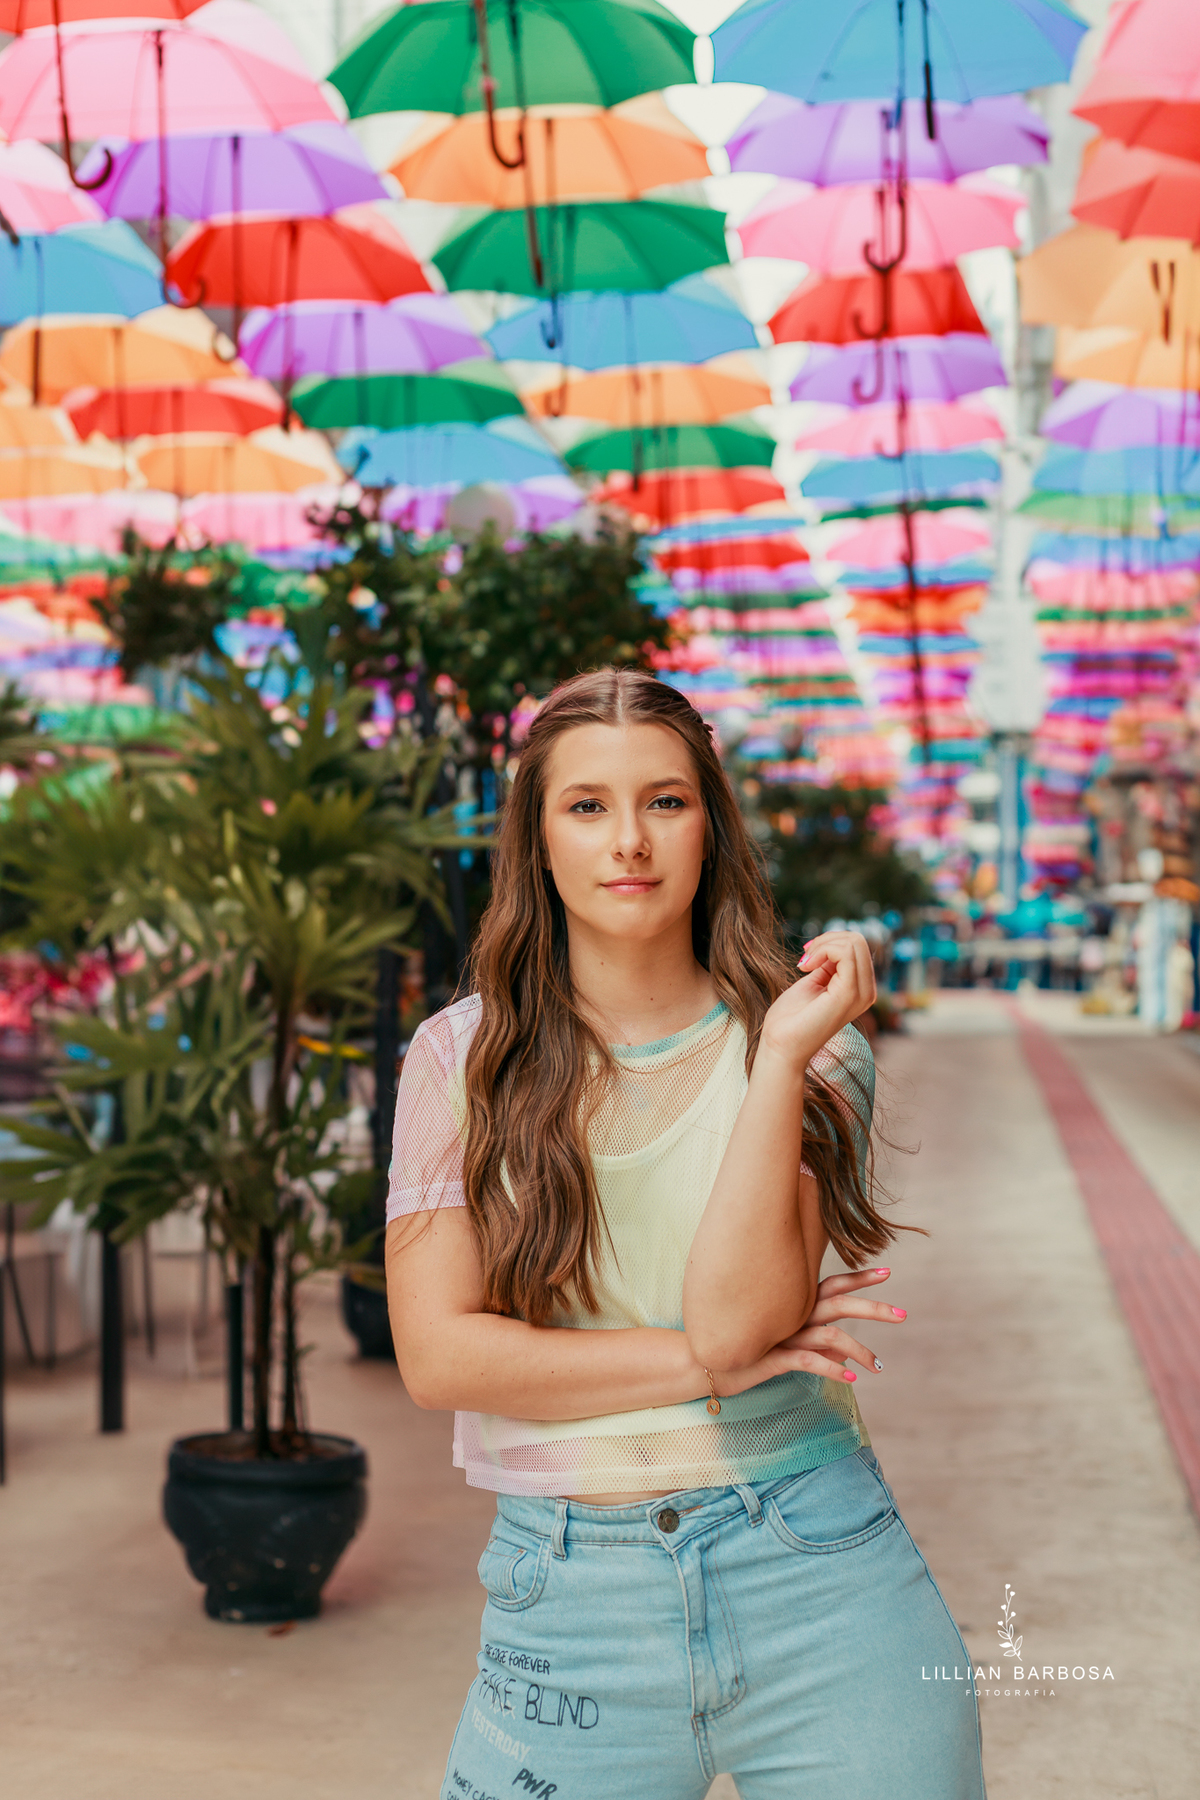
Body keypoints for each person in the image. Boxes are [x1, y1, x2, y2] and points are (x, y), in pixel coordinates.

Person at [386, 668, 985, 1800]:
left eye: (665, 801)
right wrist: (706, 1369)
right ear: (538, 840)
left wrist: (778, 1059)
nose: (630, 841)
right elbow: (439, 1357)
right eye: (587, 805)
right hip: (568, 1601)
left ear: (711, 825)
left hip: (820, 1577)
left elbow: (736, 1319)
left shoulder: (814, 1048)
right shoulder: (458, 1059)